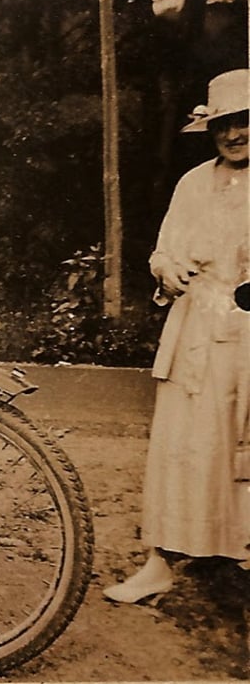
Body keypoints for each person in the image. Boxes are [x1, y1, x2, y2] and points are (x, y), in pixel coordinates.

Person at [103, 68, 250, 604]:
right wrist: (166, 270)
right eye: (223, 126)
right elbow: (162, 251)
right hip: (197, 332)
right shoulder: (193, 184)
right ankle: (161, 561)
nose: (234, 135)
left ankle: (236, 550)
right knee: (186, 445)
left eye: (244, 122)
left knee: (242, 447)